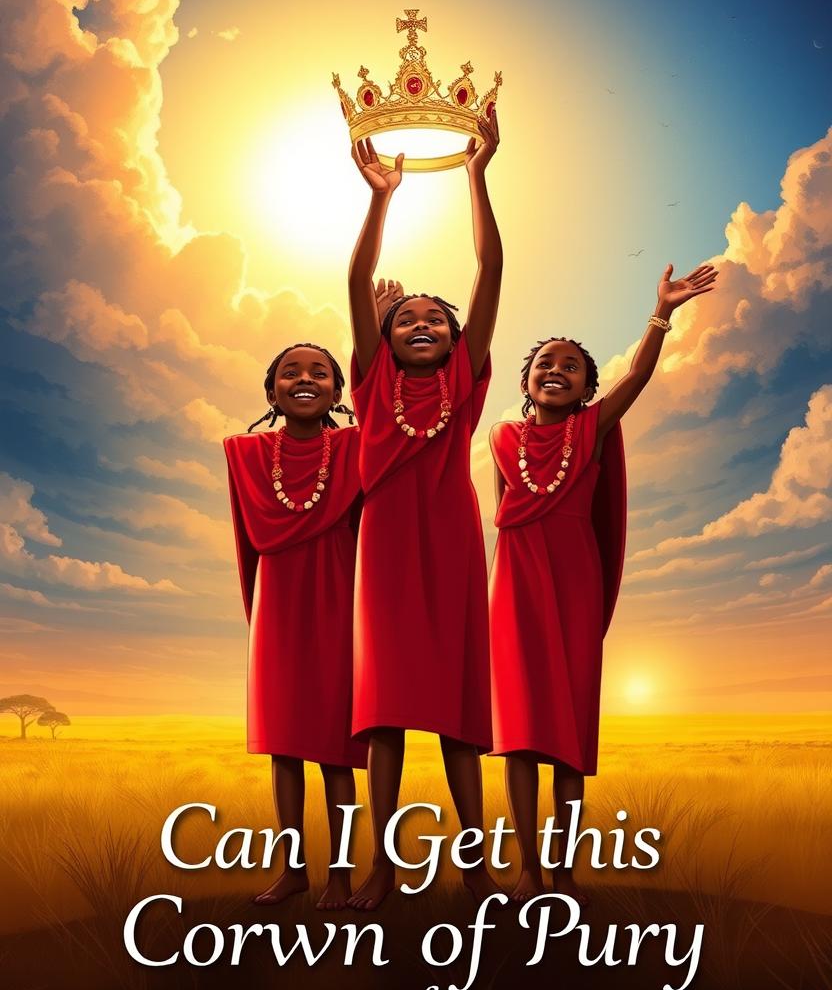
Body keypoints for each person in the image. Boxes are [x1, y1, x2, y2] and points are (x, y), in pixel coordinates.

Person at [489, 261, 718, 905]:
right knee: (519, 735)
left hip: (574, 587)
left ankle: (562, 873)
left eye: (572, 367)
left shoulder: (592, 430)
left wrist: (662, 314)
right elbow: (499, 518)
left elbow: (638, 375)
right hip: (512, 591)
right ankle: (528, 869)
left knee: (565, 731)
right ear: (527, 381)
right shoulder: (501, 439)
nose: (556, 370)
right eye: (545, 364)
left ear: (589, 389)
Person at [346, 114, 502, 910]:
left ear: (455, 341)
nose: (419, 325)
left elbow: (490, 268)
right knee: (384, 715)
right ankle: (381, 863)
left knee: (459, 717)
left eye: (433, 321)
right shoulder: (371, 385)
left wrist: (477, 174)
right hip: (387, 554)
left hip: (450, 548)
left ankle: (476, 865)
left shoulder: (463, 385)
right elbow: (355, 281)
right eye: (406, 318)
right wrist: (381, 200)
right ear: (383, 333)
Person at [224, 341, 365, 909]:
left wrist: (377, 328)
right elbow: (244, 540)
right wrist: (254, 616)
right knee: (284, 747)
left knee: (334, 749)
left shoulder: (357, 446)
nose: (305, 380)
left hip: (339, 597)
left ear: (339, 390)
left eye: (320, 373)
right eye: (290, 372)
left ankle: (341, 873)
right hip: (278, 603)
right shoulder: (248, 453)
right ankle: (292, 870)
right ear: (270, 391)